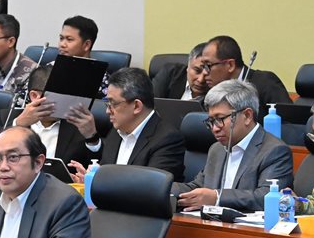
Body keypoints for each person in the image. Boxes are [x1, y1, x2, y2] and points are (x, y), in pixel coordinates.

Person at [172, 79, 293, 211]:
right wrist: (160, 187)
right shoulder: (217, 149)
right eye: (211, 121)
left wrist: (217, 198)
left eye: (220, 119)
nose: (214, 128)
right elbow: (198, 187)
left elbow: (267, 198)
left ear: (247, 116)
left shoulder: (274, 151)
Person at [67, 67, 186, 181]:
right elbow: (103, 169)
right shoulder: (117, 131)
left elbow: (149, 189)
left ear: (136, 106)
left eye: (113, 104)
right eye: (107, 103)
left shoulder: (167, 140)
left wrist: (99, 181)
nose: (107, 111)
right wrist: (88, 180)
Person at [0, 65, 90, 170]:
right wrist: (17, 124)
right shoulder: (7, 117)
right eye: (58, 96)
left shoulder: (76, 124)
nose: (64, 102)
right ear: (35, 96)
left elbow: (95, 162)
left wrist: (92, 137)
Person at [200, 35, 290, 119]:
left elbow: (290, 123)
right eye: (203, 66)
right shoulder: (212, 89)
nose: (204, 72)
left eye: (208, 65)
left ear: (230, 65)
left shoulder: (265, 83)